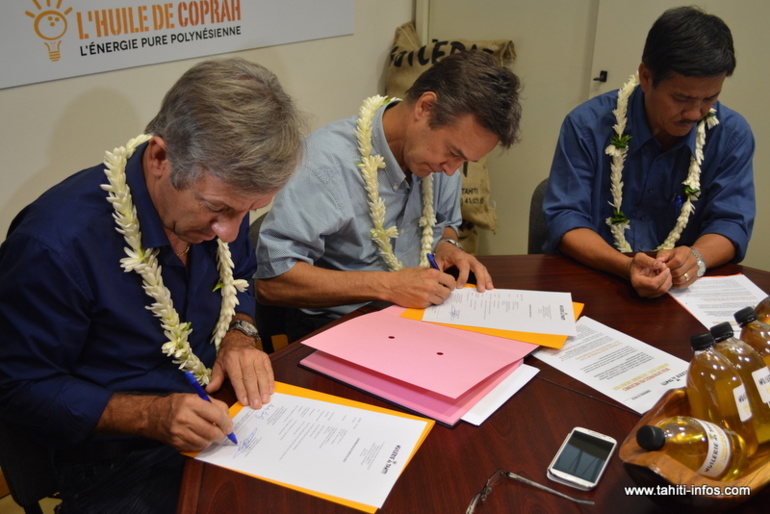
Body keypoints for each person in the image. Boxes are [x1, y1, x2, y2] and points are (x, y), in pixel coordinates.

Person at [0, 58, 303, 513]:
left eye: (250, 210)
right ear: (161, 158)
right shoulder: (55, 245)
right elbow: (18, 386)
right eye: (218, 209)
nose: (232, 232)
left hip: (218, 416)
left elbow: (238, 276)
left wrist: (241, 334)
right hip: (114, 459)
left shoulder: (218, 215)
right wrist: (150, 415)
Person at [255, 50, 522, 340]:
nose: (451, 172)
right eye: (453, 153)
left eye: (464, 161)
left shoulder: (440, 164)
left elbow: (444, 225)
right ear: (426, 107)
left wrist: (447, 246)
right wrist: (388, 286)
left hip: (420, 320)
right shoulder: (324, 166)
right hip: (339, 330)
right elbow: (272, 282)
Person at [543, 6, 755, 298]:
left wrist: (696, 257)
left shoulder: (730, 135)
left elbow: (731, 221)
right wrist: (623, 266)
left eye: (710, 98)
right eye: (681, 98)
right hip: (595, 282)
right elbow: (565, 219)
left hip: (681, 292)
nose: (695, 113)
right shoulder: (587, 126)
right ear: (645, 76)